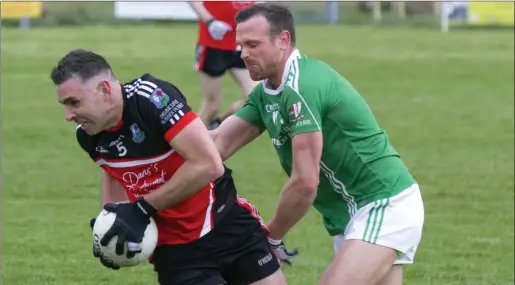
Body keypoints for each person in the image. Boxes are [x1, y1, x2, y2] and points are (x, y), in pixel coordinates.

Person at [211, 3, 425, 285]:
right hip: (351, 214)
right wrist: (165, 137)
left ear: (283, 40)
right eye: (240, 45)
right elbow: (217, 144)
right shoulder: (267, 93)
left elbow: (305, 183)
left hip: (383, 204)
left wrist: (271, 236)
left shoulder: (302, 87)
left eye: (253, 44)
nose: (243, 53)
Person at [50, 49, 289, 285]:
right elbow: (114, 174)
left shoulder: (152, 98)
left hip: (228, 224)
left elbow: (208, 164)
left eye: (74, 102)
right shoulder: (88, 135)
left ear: (104, 90)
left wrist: (142, 208)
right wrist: (111, 227)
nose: (68, 115)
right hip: (176, 254)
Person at [190, 1, 259, 130]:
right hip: (213, 43)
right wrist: (210, 21)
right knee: (212, 105)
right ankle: (187, 144)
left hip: (240, 43)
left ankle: (219, 125)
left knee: (255, 98)